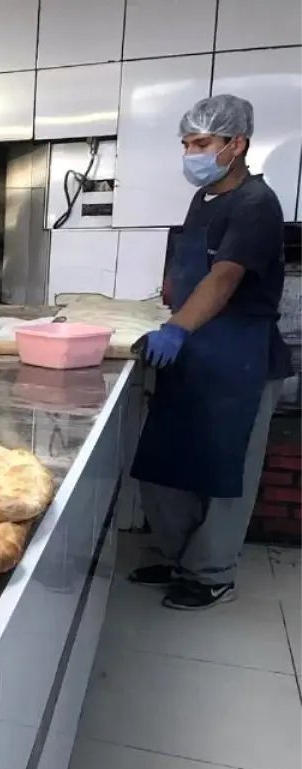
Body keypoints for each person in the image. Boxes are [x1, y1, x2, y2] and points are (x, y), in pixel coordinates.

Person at [129, 94, 293, 611]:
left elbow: (224, 277)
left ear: (236, 144)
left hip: (240, 360)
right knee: (165, 462)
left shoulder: (256, 204)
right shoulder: (206, 199)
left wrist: (176, 330)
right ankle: (181, 560)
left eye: (201, 143)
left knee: (226, 475)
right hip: (195, 352)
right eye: (186, 143)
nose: (190, 154)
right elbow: (194, 269)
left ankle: (211, 574)